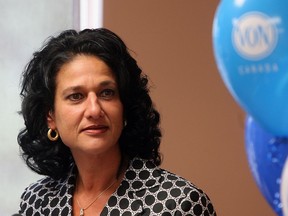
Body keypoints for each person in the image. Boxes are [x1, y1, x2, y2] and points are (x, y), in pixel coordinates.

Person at [17, 28, 216, 216]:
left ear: (124, 106)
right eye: (76, 96)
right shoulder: (37, 201)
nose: (94, 110)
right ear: (50, 116)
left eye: (107, 93)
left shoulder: (179, 204)